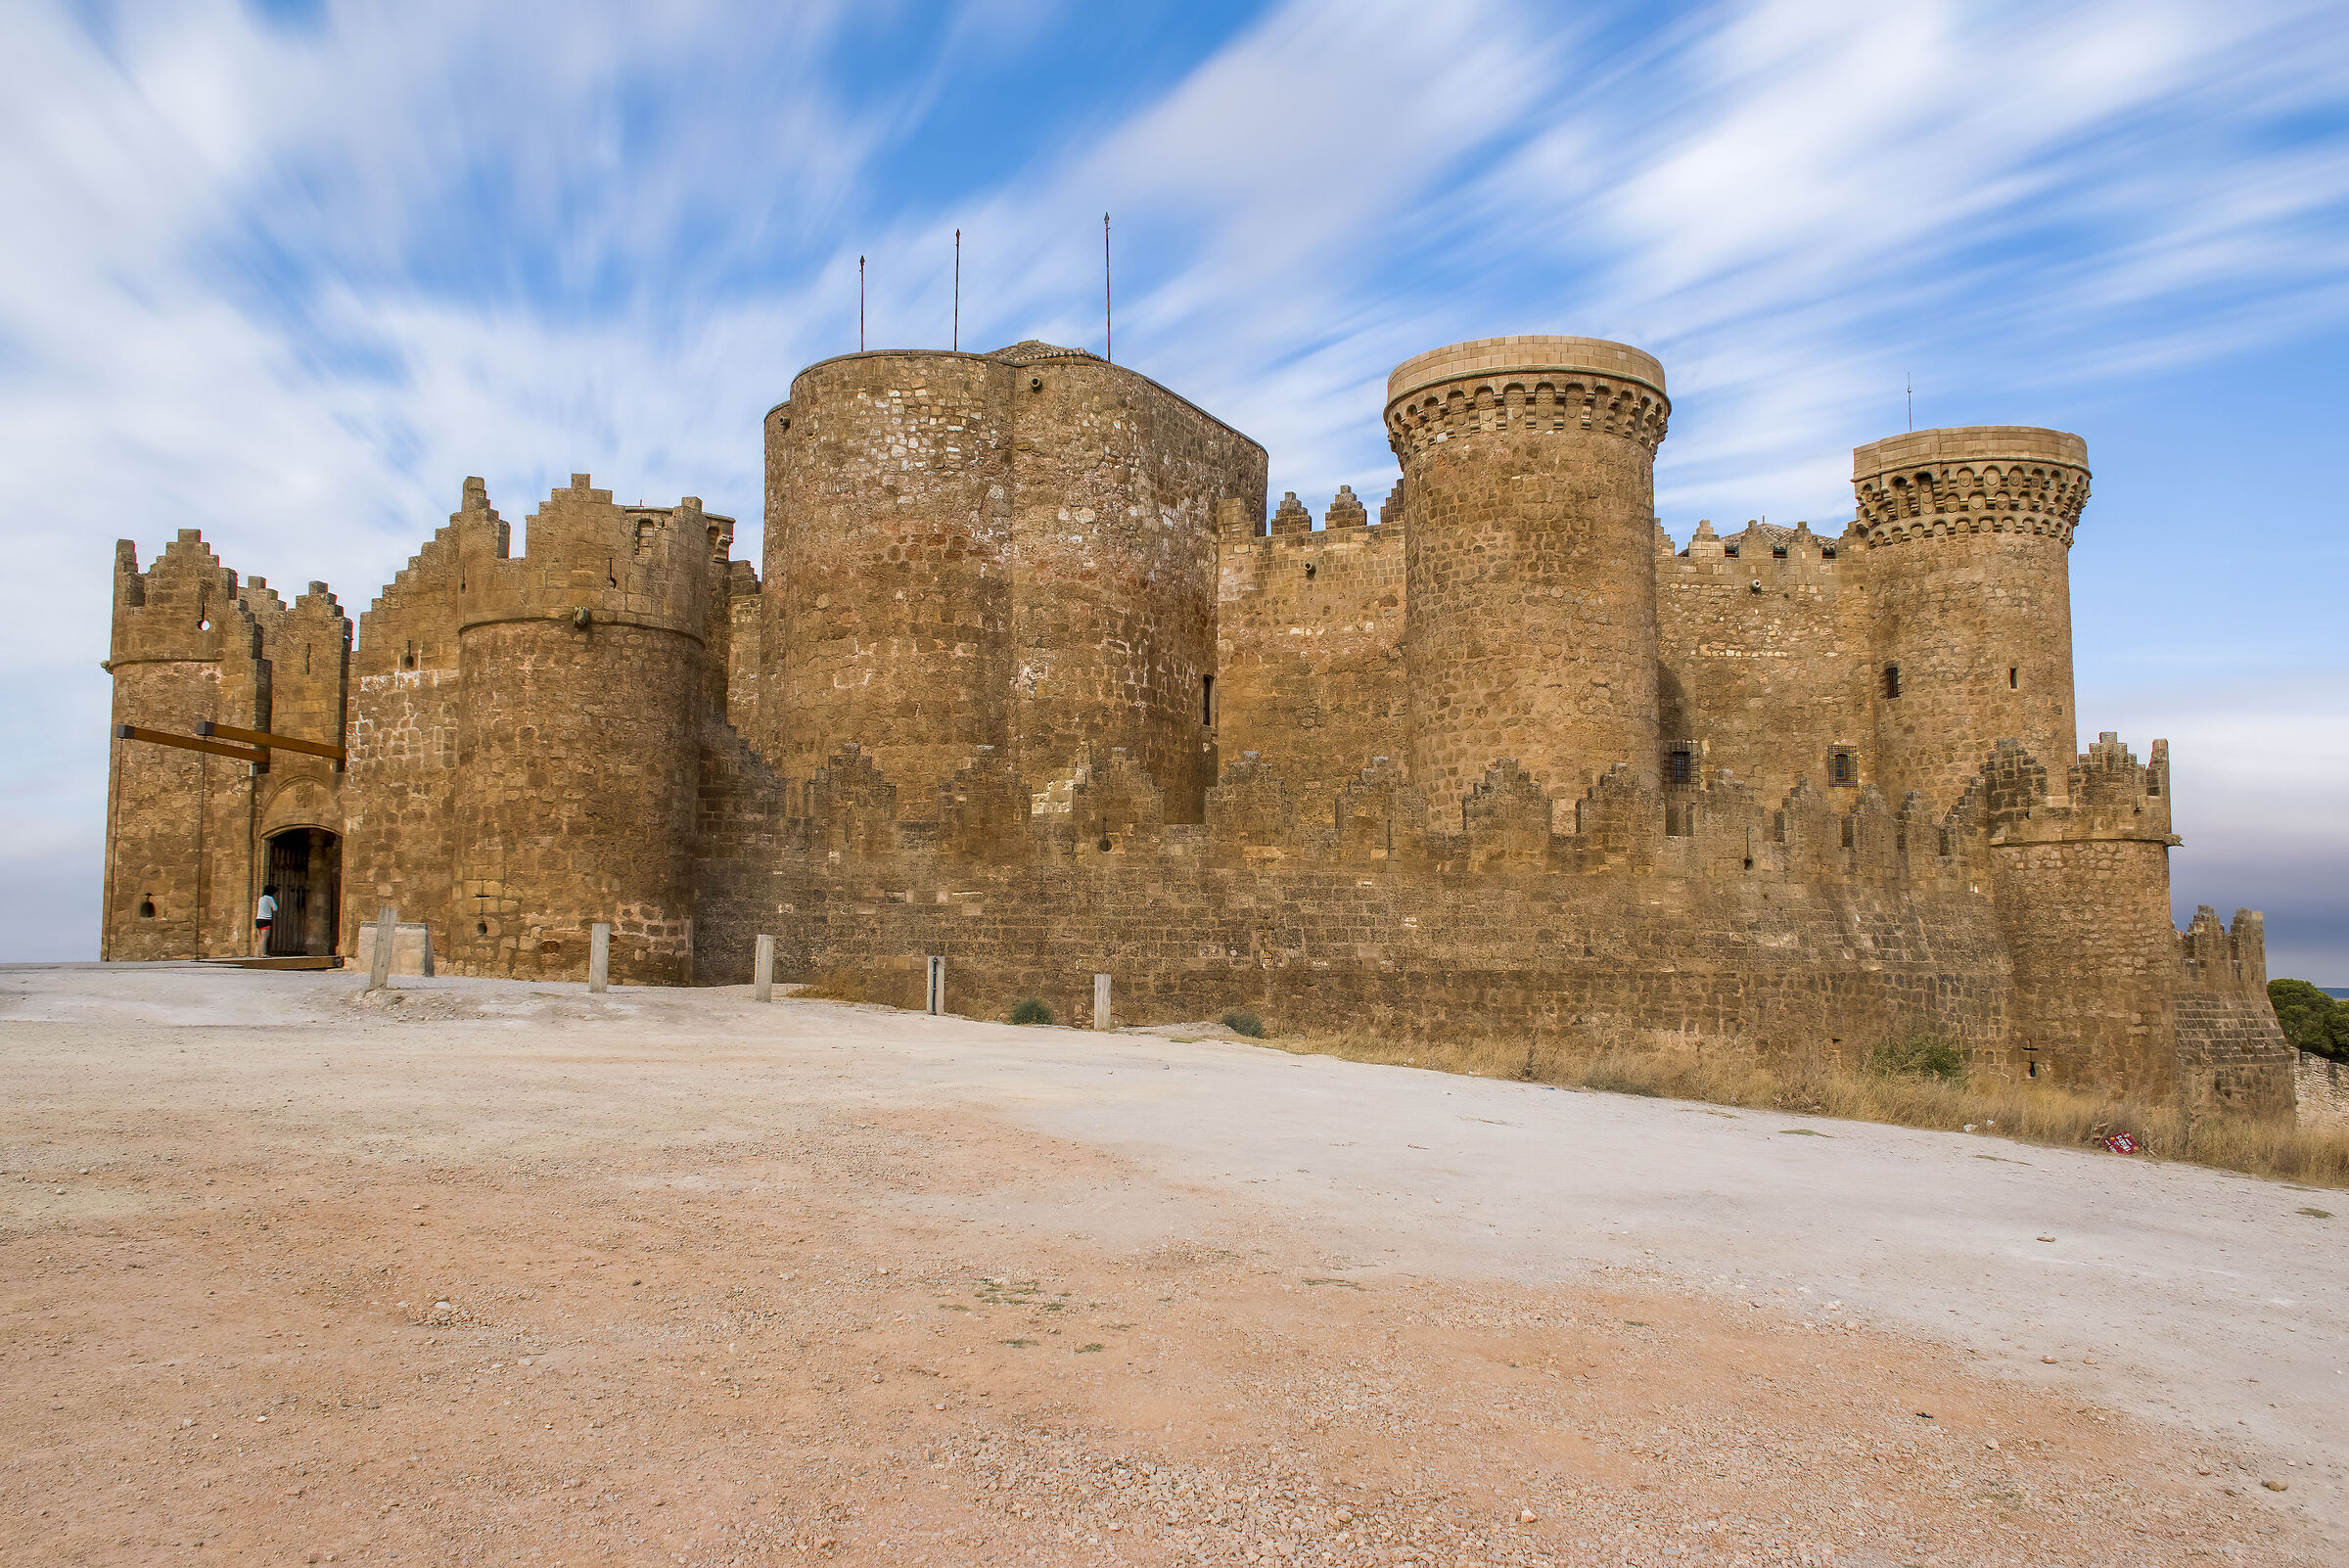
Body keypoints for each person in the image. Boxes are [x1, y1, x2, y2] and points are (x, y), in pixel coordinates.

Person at [253, 884, 278, 956]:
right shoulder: (270, 898)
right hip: (266, 919)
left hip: (258, 918)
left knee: (259, 937)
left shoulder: (261, 898)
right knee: (265, 937)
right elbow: (275, 908)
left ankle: (259, 953)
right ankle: (263, 953)